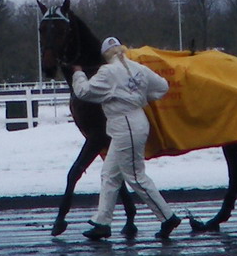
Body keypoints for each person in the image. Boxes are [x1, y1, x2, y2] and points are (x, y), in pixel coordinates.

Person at [72, 36, 181, 240]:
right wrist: (140, 99)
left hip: (125, 126)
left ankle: (168, 217)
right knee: (109, 175)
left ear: (106, 55)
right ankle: (102, 223)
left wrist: (78, 73)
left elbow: (83, 92)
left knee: (135, 176)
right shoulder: (138, 68)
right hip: (135, 121)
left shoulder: (107, 72)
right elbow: (163, 87)